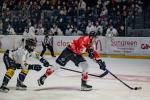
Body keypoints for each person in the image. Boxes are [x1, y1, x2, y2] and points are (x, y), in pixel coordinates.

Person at [37, 31, 106, 91]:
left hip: (77, 54)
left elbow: (94, 53)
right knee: (57, 66)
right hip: (69, 51)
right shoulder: (85, 39)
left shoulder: (92, 44)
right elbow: (79, 48)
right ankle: (43, 77)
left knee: (86, 66)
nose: (96, 39)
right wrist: (88, 51)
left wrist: (99, 62)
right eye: (95, 37)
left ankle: (84, 84)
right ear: (91, 37)